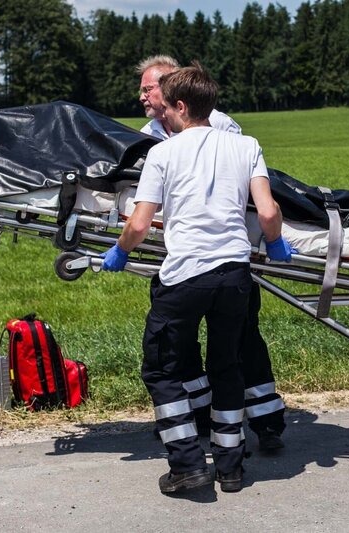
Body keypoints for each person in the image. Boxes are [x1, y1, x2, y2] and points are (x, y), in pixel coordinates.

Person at [101, 64, 292, 494]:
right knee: (227, 366)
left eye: (165, 107)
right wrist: (276, 244)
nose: (161, 114)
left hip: (186, 276)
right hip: (234, 276)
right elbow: (266, 212)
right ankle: (230, 468)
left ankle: (187, 463)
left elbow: (139, 223)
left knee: (162, 368)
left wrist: (120, 251)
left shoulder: (163, 154)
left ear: (181, 106)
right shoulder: (246, 145)